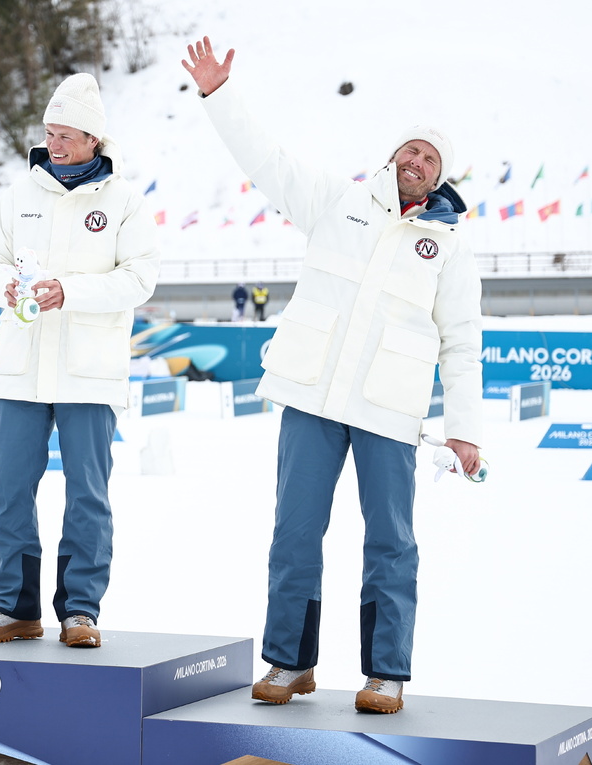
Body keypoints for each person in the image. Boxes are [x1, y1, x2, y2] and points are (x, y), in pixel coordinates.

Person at [183, 37, 483, 713]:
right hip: (312, 396)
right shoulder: (337, 202)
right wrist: (218, 95)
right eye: (410, 149)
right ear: (392, 156)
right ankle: (289, 662)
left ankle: (385, 671)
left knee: (391, 541)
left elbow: (463, 343)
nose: (416, 160)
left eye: (429, 157)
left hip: (390, 410)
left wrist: (465, 428)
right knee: (294, 532)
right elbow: (267, 161)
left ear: (439, 177)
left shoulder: (451, 250)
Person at [0, 73, 160, 648]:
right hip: (21, 368)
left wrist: (67, 290)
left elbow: (140, 279)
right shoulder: (17, 194)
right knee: (7, 491)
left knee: (87, 495)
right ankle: (15, 608)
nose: (54, 144)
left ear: (94, 140)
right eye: (50, 133)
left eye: (67, 135)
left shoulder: (126, 202)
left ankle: (80, 611)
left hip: (89, 370)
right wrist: (5, 286)